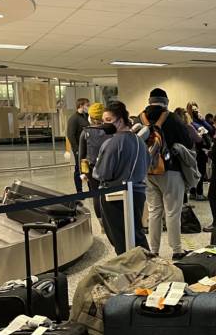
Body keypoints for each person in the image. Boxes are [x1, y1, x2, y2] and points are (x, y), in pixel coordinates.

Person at [139, 87, 195, 260]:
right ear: (166, 102)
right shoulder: (172, 118)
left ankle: (154, 250)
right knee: (172, 212)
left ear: (149, 101)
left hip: (147, 171)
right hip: (170, 170)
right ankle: (176, 250)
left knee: (154, 211)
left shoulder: (140, 118)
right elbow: (188, 141)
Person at [93, 100, 149, 255]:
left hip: (115, 196)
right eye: (103, 121)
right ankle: (145, 263)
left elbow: (102, 173)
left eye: (108, 120)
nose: (105, 124)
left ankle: (131, 266)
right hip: (138, 193)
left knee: (120, 239)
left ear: (120, 120)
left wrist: (95, 169)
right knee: (136, 234)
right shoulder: (139, 141)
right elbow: (147, 163)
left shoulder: (112, 143)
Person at [78, 102, 114, 222]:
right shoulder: (111, 131)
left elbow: (82, 155)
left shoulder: (85, 132)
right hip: (110, 167)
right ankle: (111, 219)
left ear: (91, 117)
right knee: (110, 193)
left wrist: (82, 172)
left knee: (96, 194)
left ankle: (101, 222)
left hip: (92, 168)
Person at [186, 102, 210, 201]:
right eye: (193, 110)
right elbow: (198, 137)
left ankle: (195, 192)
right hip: (195, 150)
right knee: (197, 172)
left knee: (200, 171)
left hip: (201, 150)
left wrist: (203, 120)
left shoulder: (200, 121)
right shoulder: (190, 123)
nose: (195, 112)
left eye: (196, 109)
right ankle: (198, 193)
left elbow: (211, 129)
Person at [66, 98, 89, 193]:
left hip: (87, 148)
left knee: (87, 168)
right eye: (87, 105)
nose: (88, 107)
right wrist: (76, 149)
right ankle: (79, 191)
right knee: (79, 169)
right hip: (79, 149)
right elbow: (70, 135)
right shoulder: (73, 119)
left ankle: (91, 190)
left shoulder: (86, 116)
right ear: (81, 106)